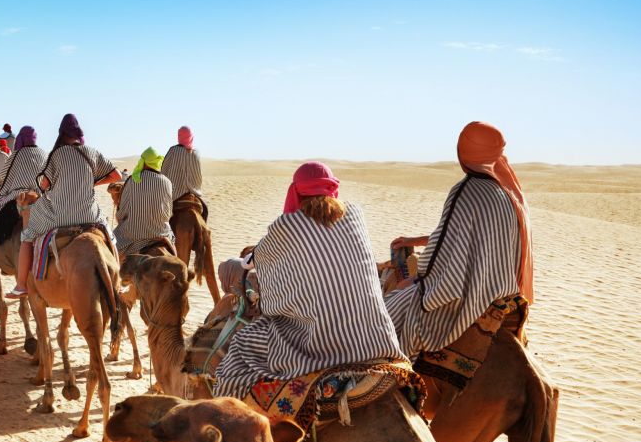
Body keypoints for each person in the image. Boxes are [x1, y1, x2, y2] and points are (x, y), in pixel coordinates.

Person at [212, 161, 405, 398]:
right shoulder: (355, 214)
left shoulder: (286, 226)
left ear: (295, 192)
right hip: (376, 339)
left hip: (318, 345)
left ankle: (228, 410)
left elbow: (253, 262)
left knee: (241, 346)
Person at [384, 121, 533, 358]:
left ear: (462, 152)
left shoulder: (466, 190)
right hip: (502, 289)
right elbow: (462, 238)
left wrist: (416, 279)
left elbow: (442, 254)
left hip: (471, 296)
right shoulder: (506, 192)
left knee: (387, 314)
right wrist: (417, 240)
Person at [7, 113, 122, 298]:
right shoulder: (92, 152)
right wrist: (93, 182)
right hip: (89, 215)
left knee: (27, 236)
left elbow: (44, 185)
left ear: (62, 133)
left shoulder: (56, 154)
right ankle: (118, 281)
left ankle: (21, 285)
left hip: (59, 216)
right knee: (110, 236)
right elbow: (116, 176)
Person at [0, 125, 43, 256]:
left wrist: (5, 189)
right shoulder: (43, 153)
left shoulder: (16, 154)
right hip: (39, 194)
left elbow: (5, 174)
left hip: (18, 193)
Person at [113, 146, 175, 256]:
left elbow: (122, 212)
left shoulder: (133, 180)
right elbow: (168, 213)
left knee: (111, 249)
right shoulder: (167, 182)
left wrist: (120, 217)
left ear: (143, 162)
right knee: (173, 245)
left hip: (132, 236)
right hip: (160, 234)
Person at [161, 125, 205, 212]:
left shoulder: (173, 150)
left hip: (174, 194)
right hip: (194, 192)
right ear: (191, 136)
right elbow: (199, 176)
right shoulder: (196, 153)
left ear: (179, 136)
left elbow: (164, 171)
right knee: (205, 211)